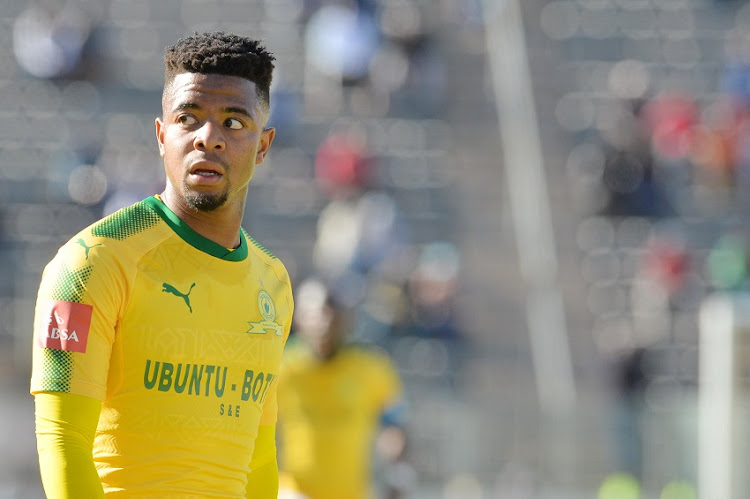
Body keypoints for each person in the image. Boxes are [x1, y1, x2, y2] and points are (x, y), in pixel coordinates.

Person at [30, 32, 294, 498]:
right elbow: (63, 441)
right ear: (160, 134)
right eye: (188, 118)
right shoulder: (93, 263)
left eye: (234, 123)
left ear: (264, 145)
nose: (207, 138)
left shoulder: (272, 283)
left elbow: (259, 458)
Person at [277, 278, 411, 499]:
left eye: (332, 314)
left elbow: (394, 425)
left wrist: (397, 473)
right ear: (299, 317)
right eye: (317, 314)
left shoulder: (369, 367)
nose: (324, 323)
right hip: (296, 490)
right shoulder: (284, 366)